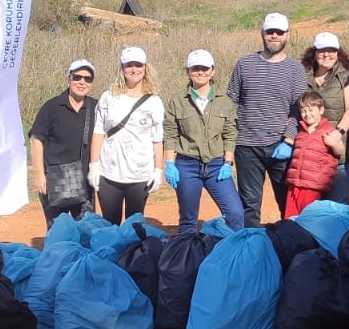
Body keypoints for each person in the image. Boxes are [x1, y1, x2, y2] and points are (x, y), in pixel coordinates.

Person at [228, 12, 308, 227]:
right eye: (270, 32)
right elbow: (230, 103)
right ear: (262, 34)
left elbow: (299, 109)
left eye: (279, 32)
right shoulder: (244, 64)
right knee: (249, 204)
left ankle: (289, 247)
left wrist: (289, 140)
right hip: (247, 146)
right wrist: (229, 139)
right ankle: (250, 247)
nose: (274, 36)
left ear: (287, 35)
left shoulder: (295, 69)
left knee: (287, 201)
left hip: (280, 145)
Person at [163, 49, 245, 232]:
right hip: (187, 166)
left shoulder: (225, 102)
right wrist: (169, 164)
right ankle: (187, 256)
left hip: (217, 166)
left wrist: (228, 162)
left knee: (235, 214)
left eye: (204, 68)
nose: (200, 72)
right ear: (188, 71)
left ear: (212, 71)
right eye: (195, 68)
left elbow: (230, 133)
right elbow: (170, 134)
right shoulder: (177, 102)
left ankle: (234, 253)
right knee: (188, 219)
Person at [90, 46, 165, 224]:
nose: (134, 70)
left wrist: (158, 170)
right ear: (122, 68)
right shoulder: (108, 97)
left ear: (145, 68)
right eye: (129, 65)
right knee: (110, 224)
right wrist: (94, 166)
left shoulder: (154, 102)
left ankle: (134, 253)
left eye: (138, 65)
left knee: (135, 226)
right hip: (109, 174)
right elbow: (98, 132)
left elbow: (157, 139)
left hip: (140, 175)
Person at [29, 59, 98, 227]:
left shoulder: (96, 107)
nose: (82, 82)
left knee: (85, 231)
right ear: (69, 78)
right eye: (77, 77)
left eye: (87, 79)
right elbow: (36, 140)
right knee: (57, 232)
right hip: (54, 181)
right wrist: (39, 175)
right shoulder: (51, 107)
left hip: (84, 181)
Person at [301, 32, 349, 204]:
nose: (326, 54)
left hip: (339, 151)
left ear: (338, 52)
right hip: (311, 152)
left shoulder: (347, 77)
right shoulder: (303, 75)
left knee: (338, 203)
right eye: (322, 50)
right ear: (314, 52)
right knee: (311, 204)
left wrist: (337, 133)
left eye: (331, 50)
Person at [283, 91, 346, 218]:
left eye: (311, 110)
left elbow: (340, 151)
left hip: (313, 187)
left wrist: (333, 143)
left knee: (310, 221)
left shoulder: (329, 131)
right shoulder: (300, 131)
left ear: (321, 110)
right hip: (294, 185)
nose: (307, 114)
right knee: (290, 221)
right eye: (303, 111)